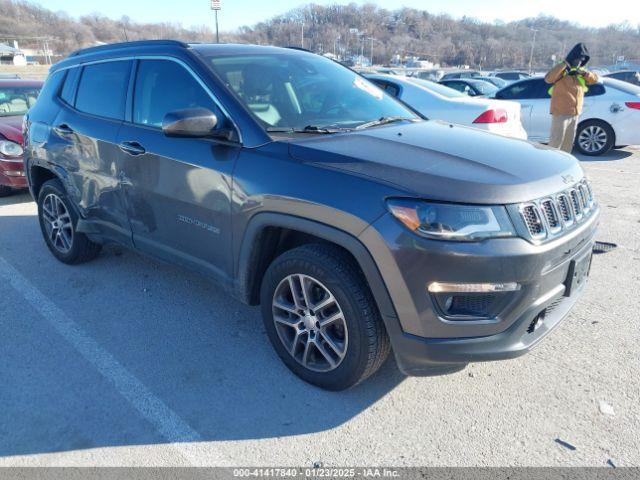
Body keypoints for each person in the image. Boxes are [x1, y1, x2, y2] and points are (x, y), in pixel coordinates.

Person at [544, 43, 599, 153]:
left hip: (575, 113)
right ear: (572, 58)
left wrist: (583, 73)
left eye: (582, 59)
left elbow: (595, 79)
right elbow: (548, 79)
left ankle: (564, 165)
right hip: (560, 113)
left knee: (568, 145)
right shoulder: (562, 68)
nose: (579, 61)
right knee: (556, 143)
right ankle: (551, 165)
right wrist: (565, 64)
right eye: (578, 58)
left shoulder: (582, 72)